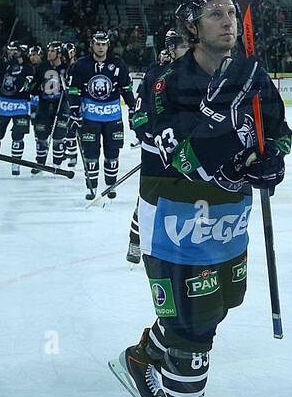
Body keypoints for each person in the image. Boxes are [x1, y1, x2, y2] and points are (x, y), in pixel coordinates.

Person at [109, 0, 292, 397]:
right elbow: (180, 153)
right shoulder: (163, 82)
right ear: (191, 24)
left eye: (231, 12)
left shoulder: (253, 75)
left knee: (216, 307)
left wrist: (272, 160)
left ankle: (145, 352)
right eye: (215, 13)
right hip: (174, 218)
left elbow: (279, 130)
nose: (228, 21)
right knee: (191, 325)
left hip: (228, 219)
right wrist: (223, 126)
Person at [128, 28, 190, 264]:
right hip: (155, 152)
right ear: (172, 49)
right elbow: (139, 113)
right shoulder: (155, 74)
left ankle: (179, 245)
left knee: (184, 199)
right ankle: (136, 240)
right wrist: (152, 137)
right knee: (149, 200)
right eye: (183, 47)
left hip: (184, 152)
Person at [67, 31, 137, 200]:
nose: (100, 47)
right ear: (92, 45)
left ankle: (110, 185)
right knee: (91, 153)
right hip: (90, 118)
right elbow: (74, 90)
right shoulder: (81, 65)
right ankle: (92, 188)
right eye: (97, 44)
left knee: (112, 153)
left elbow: (126, 89)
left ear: (107, 45)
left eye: (103, 44)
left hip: (112, 117)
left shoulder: (118, 64)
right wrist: (75, 112)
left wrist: (133, 108)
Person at [0, 42, 34, 177]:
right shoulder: (3, 64)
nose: (10, 53)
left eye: (14, 51)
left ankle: (16, 163)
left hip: (20, 106)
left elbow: (24, 87)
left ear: (21, 52)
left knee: (18, 135)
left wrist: (17, 72)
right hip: (2, 105)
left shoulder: (28, 68)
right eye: (9, 50)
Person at [32, 41, 69, 171]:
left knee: (59, 136)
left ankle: (57, 165)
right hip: (44, 106)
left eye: (52, 51)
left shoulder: (68, 68)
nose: (49, 53)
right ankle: (40, 163)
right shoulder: (41, 67)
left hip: (62, 106)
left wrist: (68, 89)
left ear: (59, 54)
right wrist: (38, 87)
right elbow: (32, 87)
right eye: (49, 50)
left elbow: (76, 89)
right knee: (41, 135)